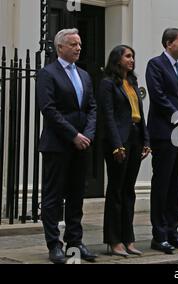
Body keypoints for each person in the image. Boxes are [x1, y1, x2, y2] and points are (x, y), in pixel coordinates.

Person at [36, 28, 97, 264]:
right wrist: (74, 135)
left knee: (76, 195)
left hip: (82, 145)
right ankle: (54, 244)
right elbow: (49, 109)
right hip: (58, 144)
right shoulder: (47, 73)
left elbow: (91, 107)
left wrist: (87, 135)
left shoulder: (84, 75)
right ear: (60, 47)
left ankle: (75, 241)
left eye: (79, 44)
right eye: (73, 44)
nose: (78, 48)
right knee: (52, 197)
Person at [99, 45, 151, 257]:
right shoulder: (107, 83)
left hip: (136, 137)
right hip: (118, 140)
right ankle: (114, 240)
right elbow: (108, 115)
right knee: (116, 190)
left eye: (133, 56)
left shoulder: (132, 82)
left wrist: (146, 139)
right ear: (117, 59)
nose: (132, 60)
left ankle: (128, 238)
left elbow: (140, 113)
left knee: (129, 190)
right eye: (128, 56)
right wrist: (116, 144)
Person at [146, 28, 178, 254]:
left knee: (176, 185)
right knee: (162, 184)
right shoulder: (155, 64)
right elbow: (157, 95)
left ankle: (173, 232)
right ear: (168, 43)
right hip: (164, 132)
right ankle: (159, 235)